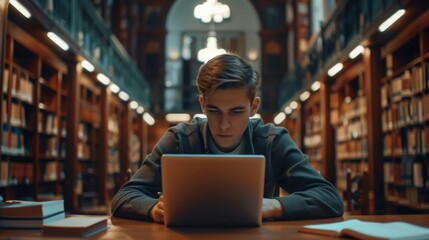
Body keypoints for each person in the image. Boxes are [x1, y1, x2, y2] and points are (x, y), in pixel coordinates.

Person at [111, 53, 344, 223]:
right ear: (202, 104)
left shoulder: (273, 140)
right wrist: (153, 209)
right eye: (214, 111)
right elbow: (124, 196)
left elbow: (329, 198)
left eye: (236, 112)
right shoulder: (180, 139)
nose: (224, 124)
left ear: (253, 107)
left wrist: (273, 206)